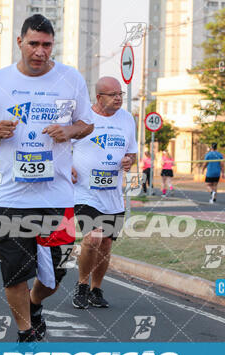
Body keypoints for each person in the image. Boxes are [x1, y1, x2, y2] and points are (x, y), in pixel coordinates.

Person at [0, 14, 94, 342]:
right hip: (10, 198)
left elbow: (87, 124)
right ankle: (26, 332)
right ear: (19, 43)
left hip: (56, 197)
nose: (40, 51)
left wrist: (69, 130)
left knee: (55, 274)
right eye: (34, 44)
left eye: (47, 45)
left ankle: (35, 302)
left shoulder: (71, 79)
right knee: (14, 272)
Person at [71, 76, 137, 309]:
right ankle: (81, 284)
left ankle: (95, 289)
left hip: (112, 195)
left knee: (106, 244)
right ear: (99, 97)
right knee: (94, 237)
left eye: (121, 94)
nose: (119, 98)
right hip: (84, 192)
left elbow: (132, 153)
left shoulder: (127, 119)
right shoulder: (82, 118)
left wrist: (129, 161)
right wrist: (66, 165)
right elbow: (60, 146)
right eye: (113, 94)